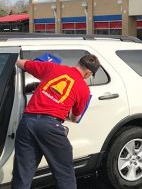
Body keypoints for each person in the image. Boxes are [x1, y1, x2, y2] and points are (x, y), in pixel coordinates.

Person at [12, 54, 100, 189]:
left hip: (27, 122)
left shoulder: (52, 68)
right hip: (51, 126)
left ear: (78, 62)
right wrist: (64, 112)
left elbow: (20, 62)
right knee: (65, 175)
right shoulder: (83, 89)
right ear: (88, 73)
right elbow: (76, 118)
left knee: (22, 174)